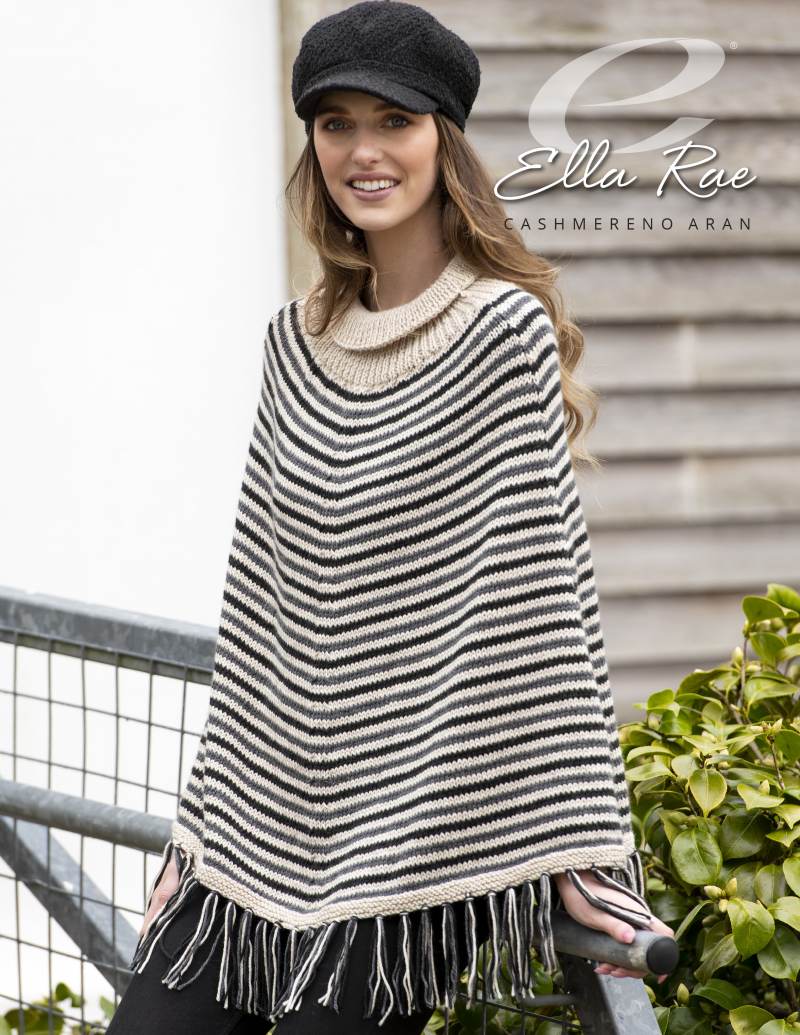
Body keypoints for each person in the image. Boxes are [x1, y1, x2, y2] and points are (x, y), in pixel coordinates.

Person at [107, 3, 673, 1033]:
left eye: (393, 121)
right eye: (335, 123)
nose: (362, 151)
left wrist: (584, 846)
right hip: (265, 823)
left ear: (442, 139)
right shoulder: (294, 343)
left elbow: (541, 600)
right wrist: (197, 834)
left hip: (422, 829)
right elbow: (260, 609)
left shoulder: (499, 332)